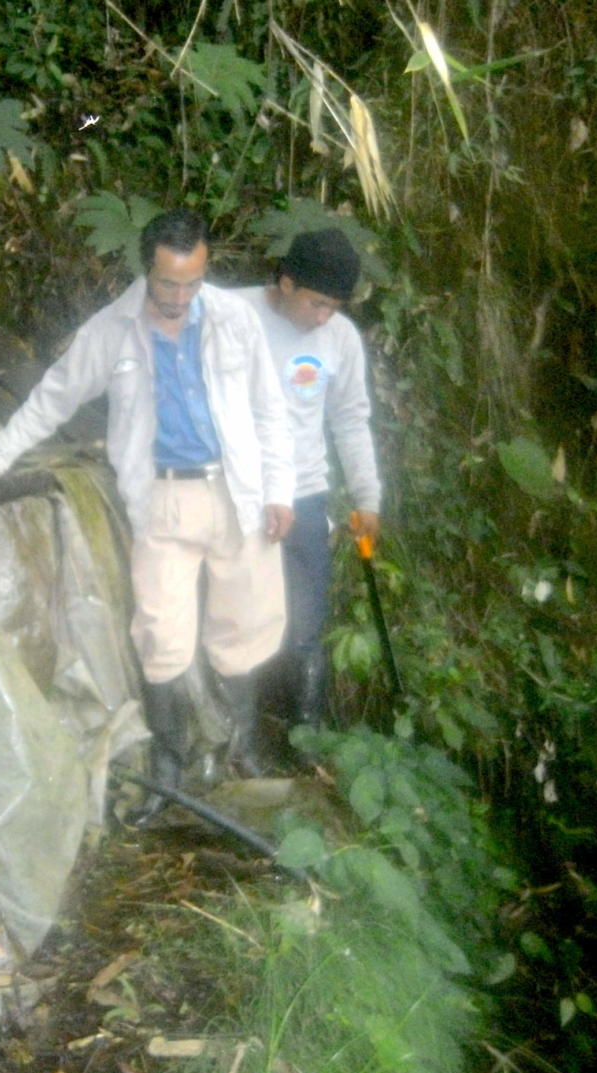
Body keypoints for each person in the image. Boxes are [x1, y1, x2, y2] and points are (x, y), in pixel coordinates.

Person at [0, 209, 295, 820]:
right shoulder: (112, 330)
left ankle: (241, 750)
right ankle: (169, 770)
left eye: (193, 283)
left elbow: (271, 410)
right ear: (146, 271)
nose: (181, 297)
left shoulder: (233, 319)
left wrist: (280, 492)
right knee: (162, 637)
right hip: (163, 499)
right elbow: (55, 395)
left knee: (246, 629)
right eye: (169, 284)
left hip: (238, 493)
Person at [233, 228, 382, 731]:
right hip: (239, 495)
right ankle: (240, 739)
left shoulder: (339, 338)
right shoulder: (234, 315)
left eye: (334, 308)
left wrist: (367, 498)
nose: (323, 318)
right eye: (317, 303)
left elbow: (350, 419)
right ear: (286, 282)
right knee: (238, 621)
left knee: (306, 621)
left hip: (306, 495)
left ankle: (307, 740)